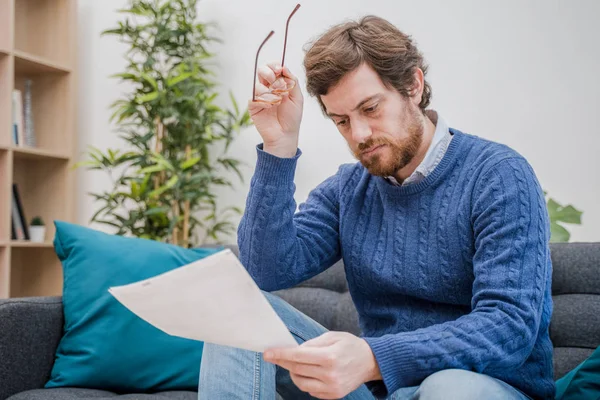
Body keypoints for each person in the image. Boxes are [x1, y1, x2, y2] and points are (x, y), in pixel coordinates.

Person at [198, 15, 554, 400]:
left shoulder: (499, 176)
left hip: (481, 387)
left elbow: (509, 326)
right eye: (342, 121)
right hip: (378, 391)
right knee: (235, 315)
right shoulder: (348, 189)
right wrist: (278, 146)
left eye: (370, 109)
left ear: (413, 86)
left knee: (448, 387)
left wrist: (371, 357)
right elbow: (264, 271)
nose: (359, 135)